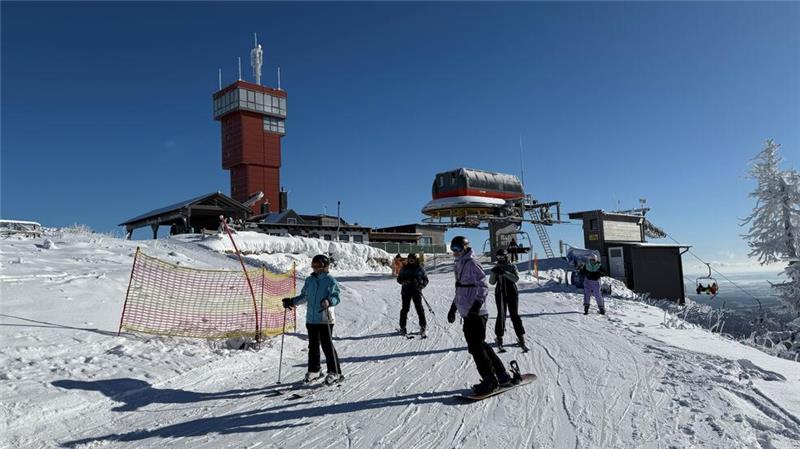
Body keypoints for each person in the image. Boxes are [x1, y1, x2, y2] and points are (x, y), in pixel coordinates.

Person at [446, 236, 515, 395]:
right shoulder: (460, 263)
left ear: (464, 248)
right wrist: (453, 308)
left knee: (476, 348)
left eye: (457, 250)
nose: (454, 253)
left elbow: (483, 286)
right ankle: (502, 376)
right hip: (467, 312)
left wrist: (476, 306)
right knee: (480, 345)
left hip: (476, 313)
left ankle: (490, 380)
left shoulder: (471, 263)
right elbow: (460, 290)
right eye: (452, 250)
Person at [282, 254, 343, 384]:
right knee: (313, 346)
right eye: (313, 266)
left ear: (325, 266)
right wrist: (292, 301)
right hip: (311, 319)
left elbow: (336, 297)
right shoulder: (309, 280)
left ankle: (335, 372)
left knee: (327, 345)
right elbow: (304, 296)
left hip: (325, 318)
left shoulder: (330, 280)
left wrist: (329, 300)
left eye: (318, 266)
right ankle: (315, 370)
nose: (315, 268)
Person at [489, 249, 527, 351]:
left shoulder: (512, 266)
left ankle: (521, 337)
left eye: (502, 257)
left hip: (512, 292)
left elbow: (516, 279)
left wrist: (504, 272)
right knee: (501, 315)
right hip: (500, 292)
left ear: (506, 257)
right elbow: (492, 282)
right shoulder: (496, 267)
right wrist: (494, 273)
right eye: (498, 258)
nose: (500, 259)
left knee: (514, 315)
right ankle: (499, 337)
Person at [396, 253, 429, 337]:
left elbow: (425, 279)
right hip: (406, 291)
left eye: (413, 259)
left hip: (416, 291)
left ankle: (423, 326)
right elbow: (399, 279)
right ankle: (403, 327)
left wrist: (421, 286)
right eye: (410, 258)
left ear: (415, 259)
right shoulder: (404, 268)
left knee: (419, 308)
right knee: (405, 309)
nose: (411, 260)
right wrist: (404, 281)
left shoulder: (420, 268)